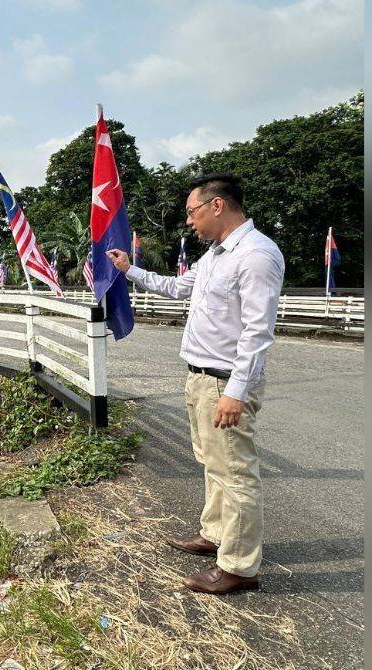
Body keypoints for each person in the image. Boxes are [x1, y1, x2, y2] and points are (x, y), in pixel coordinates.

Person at [107, 173, 284, 595]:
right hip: (201, 377)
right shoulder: (215, 256)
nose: (189, 221)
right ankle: (215, 534)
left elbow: (258, 333)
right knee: (213, 463)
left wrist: (236, 392)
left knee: (236, 472)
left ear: (217, 205)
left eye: (192, 211)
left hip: (225, 383)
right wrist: (130, 269)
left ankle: (240, 566)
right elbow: (177, 288)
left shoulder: (256, 255)